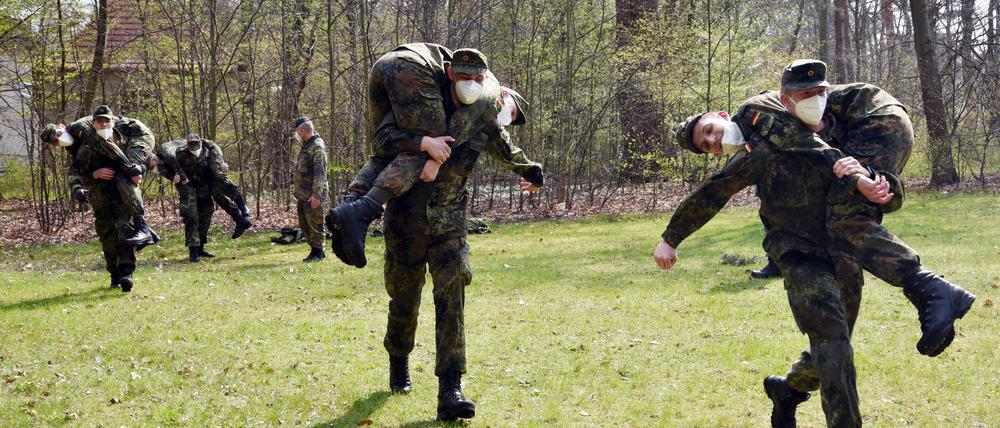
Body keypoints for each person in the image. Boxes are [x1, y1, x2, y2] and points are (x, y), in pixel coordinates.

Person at [361, 86, 541, 420]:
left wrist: (533, 172)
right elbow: (382, 142)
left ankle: (451, 389)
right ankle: (398, 362)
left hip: (450, 225)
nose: (507, 117)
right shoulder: (424, 107)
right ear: (497, 93)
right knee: (403, 300)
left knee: (452, 299)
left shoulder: (486, 124)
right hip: (406, 223)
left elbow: (510, 152)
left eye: (511, 117)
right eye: (510, 110)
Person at [326, 45, 526, 268]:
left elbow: (384, 140)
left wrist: (423, 144)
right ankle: (364, 210)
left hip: (385, 65)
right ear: (506, 95)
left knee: (393, 144)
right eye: (513, 111)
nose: (508, 117)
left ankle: (350, 207)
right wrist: (434, 158)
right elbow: (455, 132)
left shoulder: (445, 89)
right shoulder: (491, 92)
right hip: (410, 67)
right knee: (432, 139)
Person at [57, 105, 157, 292]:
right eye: (99, 121)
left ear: (113, 122)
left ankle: (127, 273)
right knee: (108, 238)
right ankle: (114, 275)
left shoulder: (126, 142)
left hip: (123, 198)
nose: (103, 124)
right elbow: (76, 170)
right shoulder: (86, 145)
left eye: (107, 121)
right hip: (100, 198)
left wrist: (140, 170)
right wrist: (91, 177)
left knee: (125, 232)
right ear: (93, 124)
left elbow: (145, 159)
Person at [151, 136, 254, 240]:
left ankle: (244, 211)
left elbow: (175, 163)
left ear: (154, 158)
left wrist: (221, 163)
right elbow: (166, 170)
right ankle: (240, 220)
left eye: (153, 164)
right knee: (215, 199)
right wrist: (173, 177)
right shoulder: (165, 161)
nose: (156, 166)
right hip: (199, 179)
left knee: (219, 178)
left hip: (207, 170)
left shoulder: (166, 151)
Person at [292, 117, 330, 263]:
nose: (296, 135)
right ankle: (316, 250)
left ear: (302, 130)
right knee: (304, 224)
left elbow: (320, 173)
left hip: (312, 193)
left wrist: (316, 195)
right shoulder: (306, 145)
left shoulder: (317, 146)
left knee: (315, 224)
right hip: (303, 194)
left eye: (297, 131)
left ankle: (317, 252)